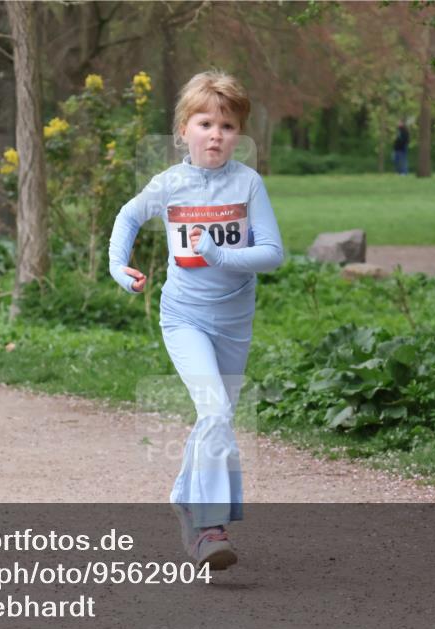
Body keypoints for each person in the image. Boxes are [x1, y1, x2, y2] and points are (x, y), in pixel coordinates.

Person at [108, 71, 284, 570]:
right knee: (216, 414)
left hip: (234, 321)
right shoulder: (170, 185)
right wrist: (119, 267)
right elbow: (127, 217)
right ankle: (209, 529)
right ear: (184, 129)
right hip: (183, 317)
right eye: (205, 123)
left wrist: (221, 255)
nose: (216, 134)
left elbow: (272, 253)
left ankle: (187, 499)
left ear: (239, 134)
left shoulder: (248, 184)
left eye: (228, 126)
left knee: (216, 419)